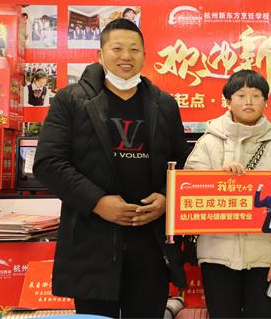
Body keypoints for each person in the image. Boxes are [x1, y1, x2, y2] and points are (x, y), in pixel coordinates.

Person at [33, 19, 188, 318]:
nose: (126, 56)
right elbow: (48, 162)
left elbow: (181, 162)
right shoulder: (71, 100)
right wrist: (98, 202)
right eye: (117, 49)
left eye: (134, 49)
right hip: (92, 242)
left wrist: (166, 198)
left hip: (151, 244)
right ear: (100, 54)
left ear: (144, 55)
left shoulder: (164, 104)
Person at [184, 69, 271, 318]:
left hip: (265, 258)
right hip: (216, 255)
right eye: (240, 95)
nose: (248, 101)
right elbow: (189, 191)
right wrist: (218, 178)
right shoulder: (208, 142)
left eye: (256, 95)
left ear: (266, 102)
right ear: (228, 102)